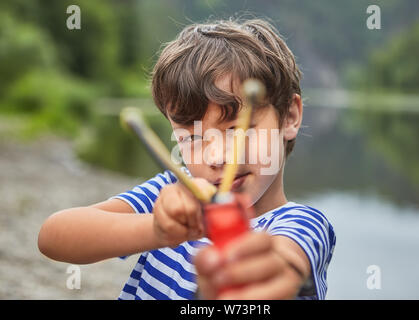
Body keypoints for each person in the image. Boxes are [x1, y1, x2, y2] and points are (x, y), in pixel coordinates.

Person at [38, 18, 336, 300]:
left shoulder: (303, 224)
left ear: (290, 116)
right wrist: (157, 229)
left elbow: (285, 262)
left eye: (236, 129)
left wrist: (271, 271)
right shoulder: (176, 188)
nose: (217, 157)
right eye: (192, 138)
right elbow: (54, 236)